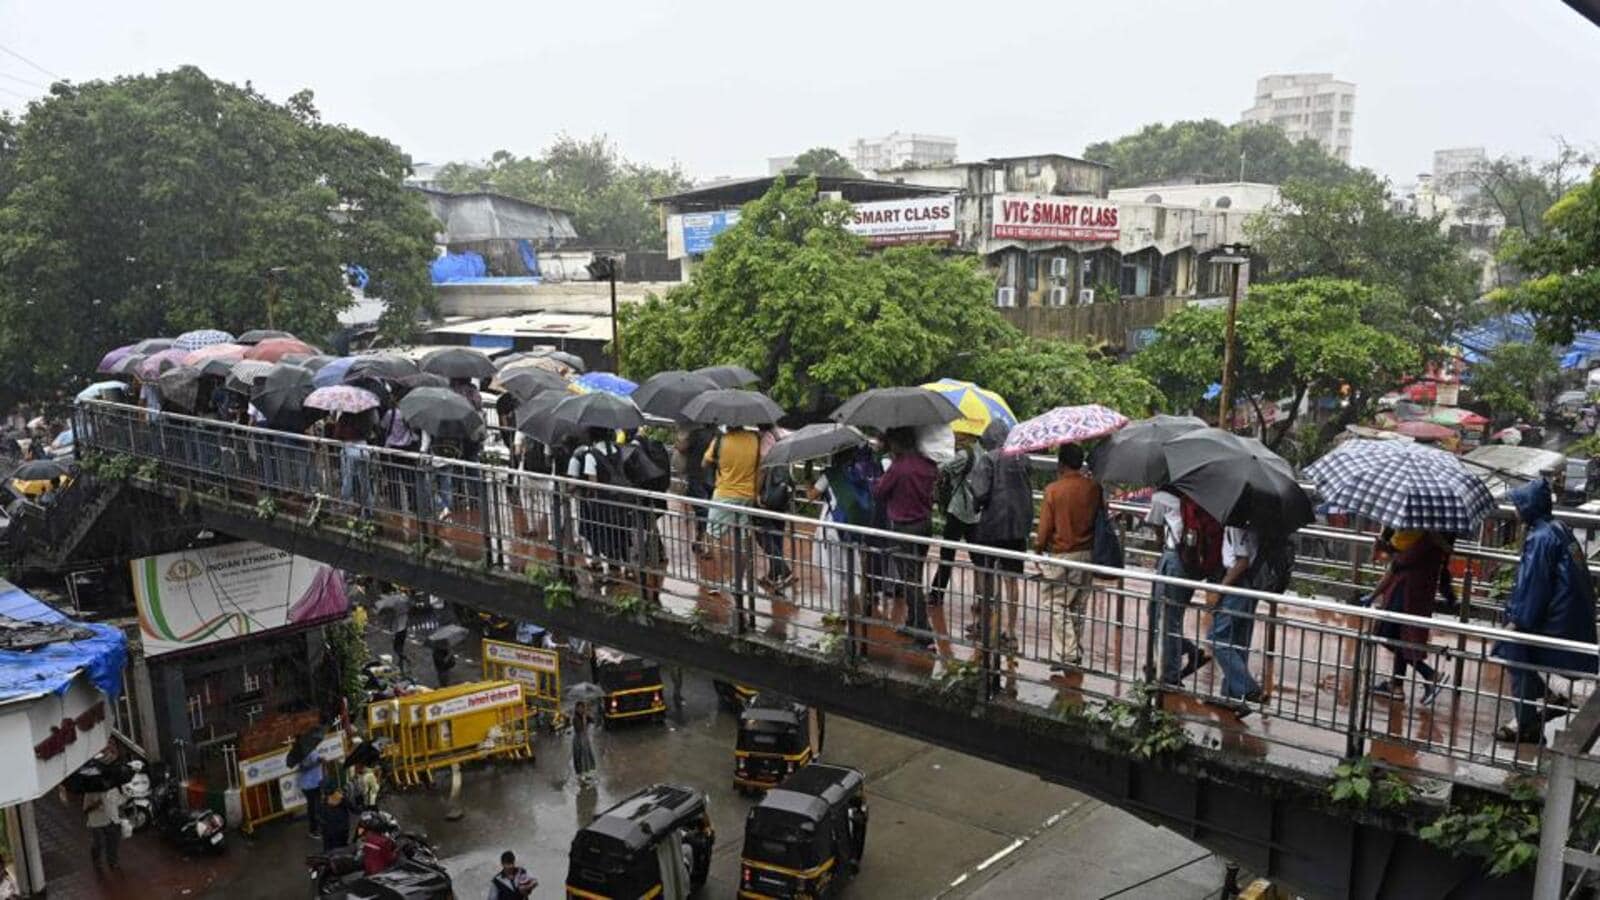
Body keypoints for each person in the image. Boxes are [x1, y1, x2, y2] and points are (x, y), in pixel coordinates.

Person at [1494, 479, 1600, 744]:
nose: (1514, 510)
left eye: (1517, 505)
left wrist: (1517, 620)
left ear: (1527, 507)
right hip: (1568, 616)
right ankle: (1529, 718)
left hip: (1551, 620)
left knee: (1517, 656)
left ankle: (1528, 723)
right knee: (1534, 666)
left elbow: (1533, 584)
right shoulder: (1559, 528)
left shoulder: (1540, 538)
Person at [1033, 445, 1103, 673]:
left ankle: (1068, 654)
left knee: (1055, 603)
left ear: (1060, 464)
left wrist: (1038, 549)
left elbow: (1044, 528)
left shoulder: (1053, 490)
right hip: (1088, 553)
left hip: (1063, 553)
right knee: (1078, 605)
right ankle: (1074, 652)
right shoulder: (1094, 488)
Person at [966, 427, 1033, 653]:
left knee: (986, 575)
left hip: (992, 525)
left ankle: (985, 625)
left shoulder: (988, 459)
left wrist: (976, 502)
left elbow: (980, 492)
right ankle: (1011, 631)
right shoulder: (1023, 457)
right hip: (1018, 527)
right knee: (1012, 580)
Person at [871, 428, 938, 649]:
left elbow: (880, 492)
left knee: (910, 581)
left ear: (897, 443)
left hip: (904, 528)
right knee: (915, 575)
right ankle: (912, 621)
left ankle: (923, 632)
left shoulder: (898, 468)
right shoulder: (928, 464)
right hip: (924, 525)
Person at [1366, 530, 1448, 704]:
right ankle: (1396, 686)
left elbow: (1401, 561)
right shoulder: (1435, 535)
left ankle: (1430, 674)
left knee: (1388, 633)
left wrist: (1386, 548)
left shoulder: (1424, 536)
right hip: (1418, 590)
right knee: (1401, 634)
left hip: (1407, 590)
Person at [1146, 487, 1206, 685]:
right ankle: (1186, 653)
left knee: (1161, 616)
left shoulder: (1161, 496)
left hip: (1172, 559)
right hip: (1191, 562)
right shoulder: (1199, 495)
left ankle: (1169, 674)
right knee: (1172, 616)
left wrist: (1161, 540)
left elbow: (1155, 524)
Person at [1209, 523, 1266, 708]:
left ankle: (1247, 688)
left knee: (1216, 638)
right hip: (1250, 583)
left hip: (1238, 584)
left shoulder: (1236, 525)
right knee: (1239, 640)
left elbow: (1242, 561)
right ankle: (1231, 697)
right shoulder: (1254, 523)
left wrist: (1220, 588)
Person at [701, 426, 760, 593]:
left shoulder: (720, 440)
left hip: (724, 494)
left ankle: (723, 578)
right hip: (747, 495)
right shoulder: (754, 439)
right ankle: (738, 580)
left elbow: (704, 463)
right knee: (742, 537)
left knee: (713, 534)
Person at [928, 432, 982, 609]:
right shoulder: (984, 453)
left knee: (947, 554)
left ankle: (936, 594)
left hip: (959, 510)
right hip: (976, 512)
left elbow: (942, 469)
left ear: (968, 434)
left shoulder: (964, 455)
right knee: (979, 559)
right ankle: (983, 598)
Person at [569, 427, 626, 572]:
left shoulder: (591, 455)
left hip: (600, 503)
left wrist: (586, 494)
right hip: (618, 499)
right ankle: (621, 566)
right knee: (618, 533)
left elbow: (592, 483)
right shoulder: (616, 450)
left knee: (596, 532)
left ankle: (598, 562)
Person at [83, 783, 124, 872]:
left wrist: (126, 796)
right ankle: (97, 860)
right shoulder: (90, 792)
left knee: (113, 843)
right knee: (99, 843)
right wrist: (96, 804)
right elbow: (85, 810)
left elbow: (119, 802)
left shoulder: (113, 789)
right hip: (97, 822)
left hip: (112, 820)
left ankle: (112, 861)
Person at [296, 735, 325, 837]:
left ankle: (319, 827)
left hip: (316, 782)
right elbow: (302, 767)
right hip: (309, 784)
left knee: (318, 806)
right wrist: (317, 762)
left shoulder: (311, 749)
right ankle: (313, 830)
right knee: (313, 807)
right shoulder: (302, 752)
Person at [571, 700, 597, 787]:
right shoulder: (575, 718)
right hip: (579, 739)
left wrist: (588, 716)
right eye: (580, 708)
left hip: (585, 739)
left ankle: (587, 775)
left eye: (583, 708)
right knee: (579, 756)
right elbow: (579, 728)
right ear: (577, 708)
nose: (582, 709)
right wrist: (583, 720)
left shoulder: (584, 715)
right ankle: (580, 777)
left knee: (587, 756)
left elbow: (593, 721)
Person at [320, 788, 352, 852]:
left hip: (328, 830)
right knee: (341, 849)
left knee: (327, 848)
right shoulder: (343, 800)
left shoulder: (324, 801)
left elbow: (321, 817)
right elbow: (354, 809)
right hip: (341, 830)